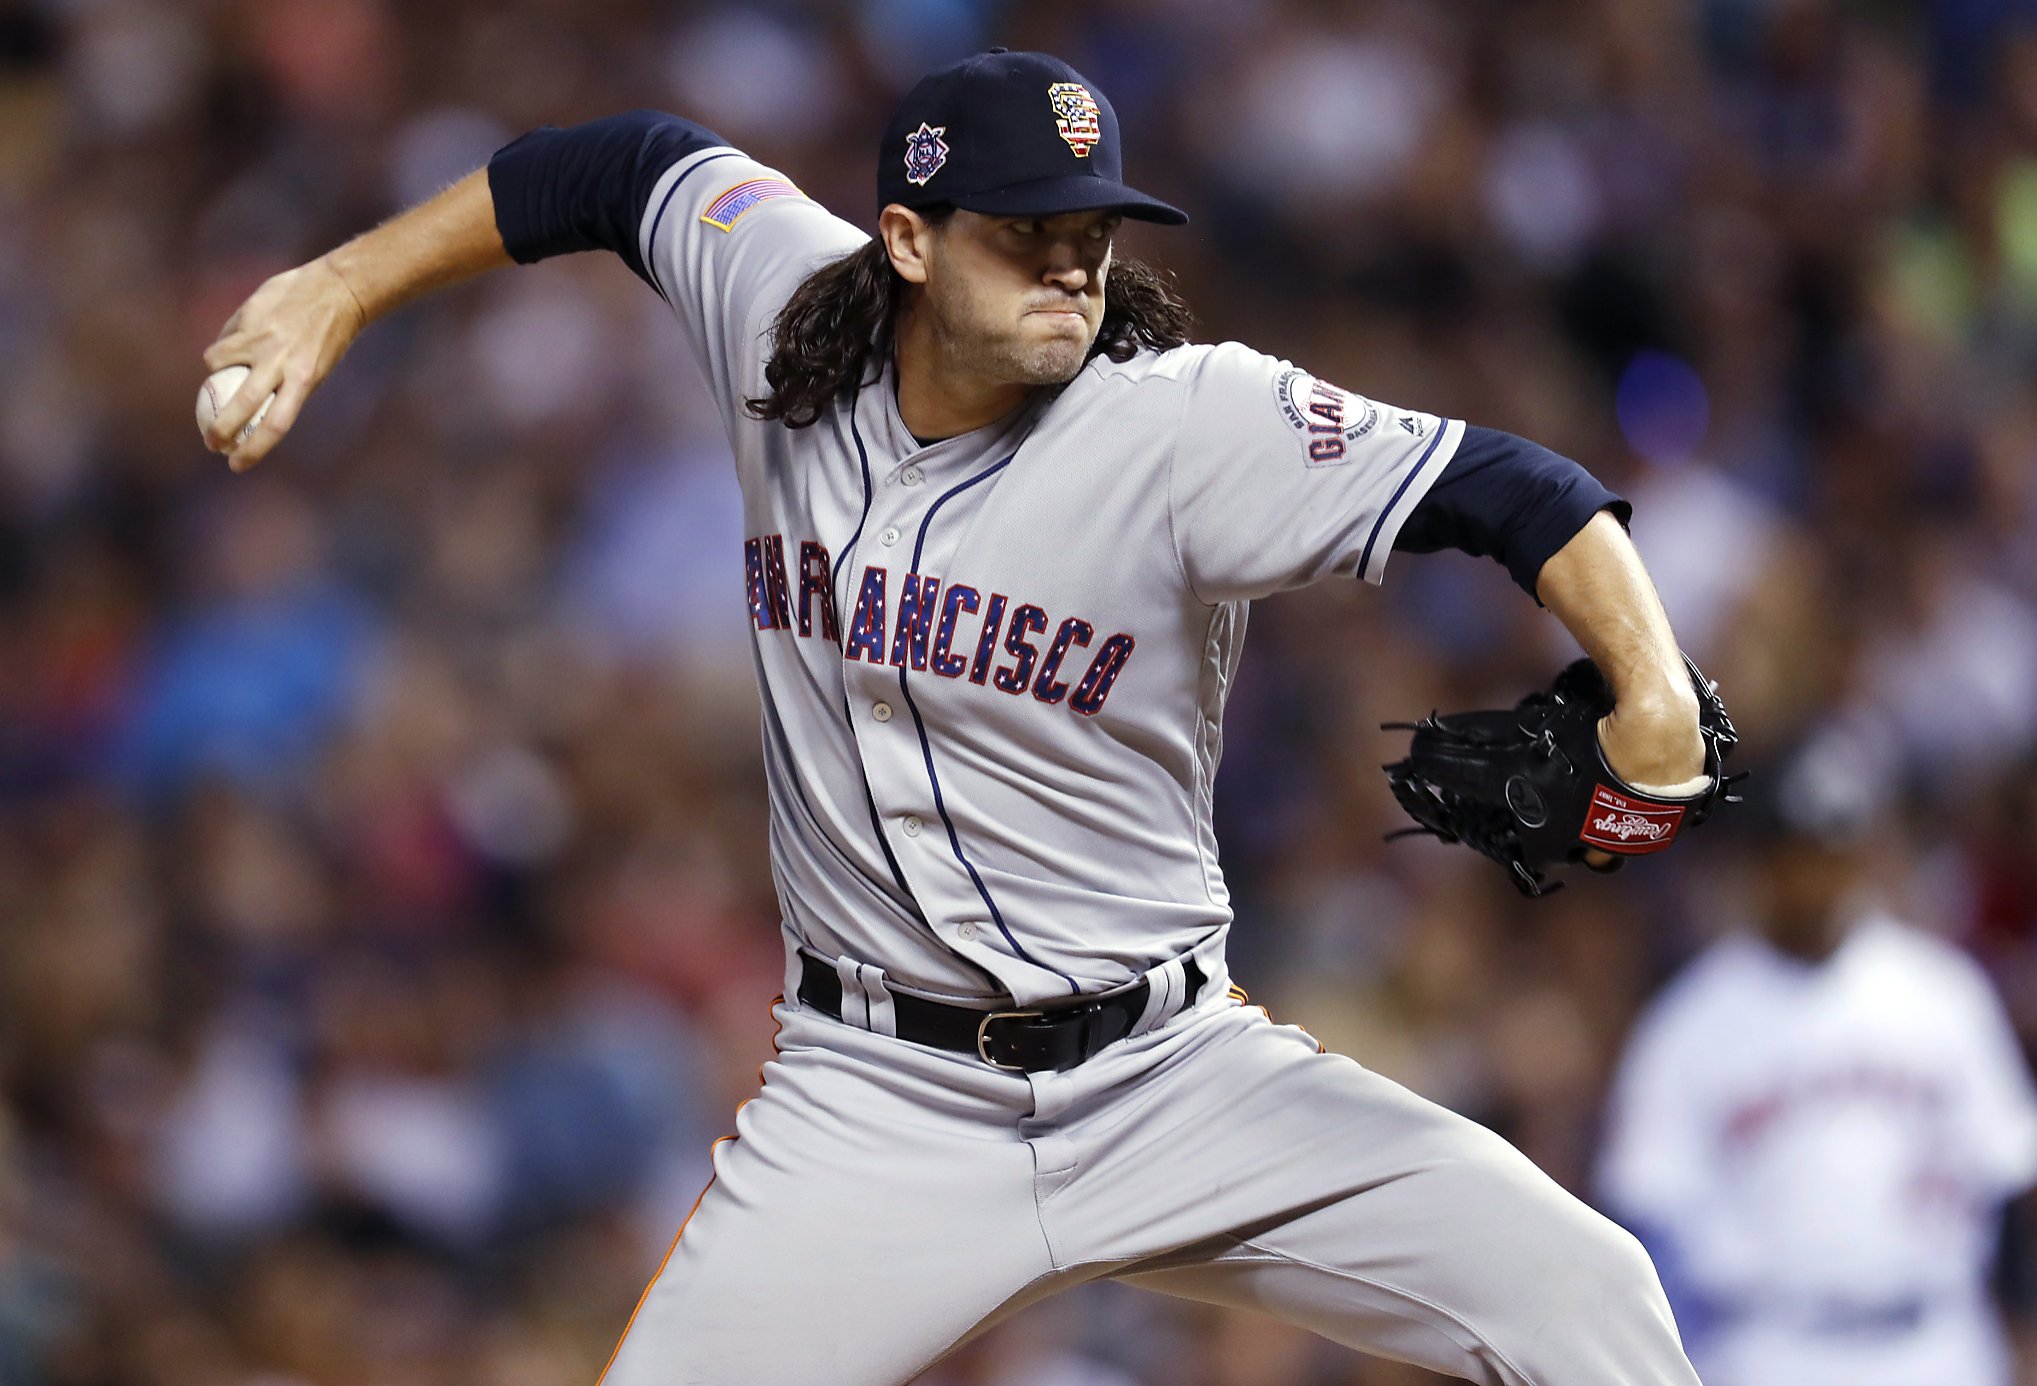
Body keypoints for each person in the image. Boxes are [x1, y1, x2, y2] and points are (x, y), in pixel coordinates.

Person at [202, 47, 1710, 1386]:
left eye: (1091, 233)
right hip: (878, 1102)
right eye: (1026, 235)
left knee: (1588, 1294)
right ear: (909, 241)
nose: (1073, 267)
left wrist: (1649, 687)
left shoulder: (1187, 421)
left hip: (1172, 1077)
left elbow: (1523, 493)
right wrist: (342, 281)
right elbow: (620, 165)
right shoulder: (782, 306)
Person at [1597, 735, 2037, 1385]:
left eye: (1832, 849)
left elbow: (2016, 1175)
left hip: (1937, 1342)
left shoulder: (1943, 994)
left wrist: (2030, 1330)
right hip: (1769, 1348)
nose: (1814, 876)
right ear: (1756, 865)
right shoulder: (1688, 1024)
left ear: (1864, 854)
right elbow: (1645, 1215)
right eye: (1794, 853)